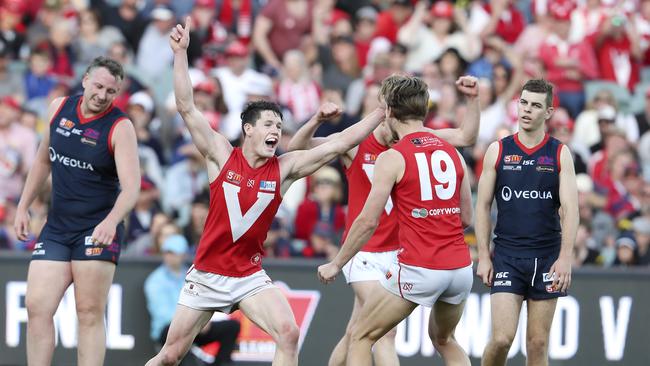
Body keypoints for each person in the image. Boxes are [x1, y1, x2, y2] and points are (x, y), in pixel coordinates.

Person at [146, 18, 388, 366]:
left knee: (288, 334)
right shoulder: (220, 156)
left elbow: (339, 144)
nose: (277, 130)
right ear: (248, 129)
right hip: (208, 273)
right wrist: (181, 54)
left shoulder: (285, 167)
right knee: (170, 355)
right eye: (269, 124)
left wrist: (381, 111)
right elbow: (187, 107)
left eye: (279, 125)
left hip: (248, 275)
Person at [288, 74, 479, 365]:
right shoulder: (356, 142)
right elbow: (298, 149)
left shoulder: (408, 147)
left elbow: (467, 136)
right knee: (382, 334)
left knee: (357, 332)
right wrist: (316, 119)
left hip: (403, 254)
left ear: (390, 110)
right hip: (365, 252)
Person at [13, 56, 140, 365]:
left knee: (88, 312)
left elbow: (132, 187)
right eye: (97, 86)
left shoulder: (120, 127)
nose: (102, 95)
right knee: (37, 306)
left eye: (111, 91)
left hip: (97, 229)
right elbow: (43, 160)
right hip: (57, 226)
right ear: (84, 80)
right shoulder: (59, 107)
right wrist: (22, 206)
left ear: (117, 93)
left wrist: (112, 220)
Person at [475, 79, 579, 366]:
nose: (527, 110)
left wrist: (565, 258)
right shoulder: (499, 150)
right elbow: (482, 206)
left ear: (548, 112)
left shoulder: (559, 153)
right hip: (508, 256)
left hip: (546, 257)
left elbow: (570, 209)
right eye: (523, 103)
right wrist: (484, 256)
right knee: (501, 339)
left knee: (538, 343)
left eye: (535, 105)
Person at [145, 234, 241, 366]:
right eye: (167, 252)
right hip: (167, 331)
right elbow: (162, 314)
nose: (169, 256)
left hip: (194, 326)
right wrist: (194, 322)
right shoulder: (155, 280)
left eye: (173, 253)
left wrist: (200, 321)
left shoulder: (192, 275)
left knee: (231, 327)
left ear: (183, 255)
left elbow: (204, 300)